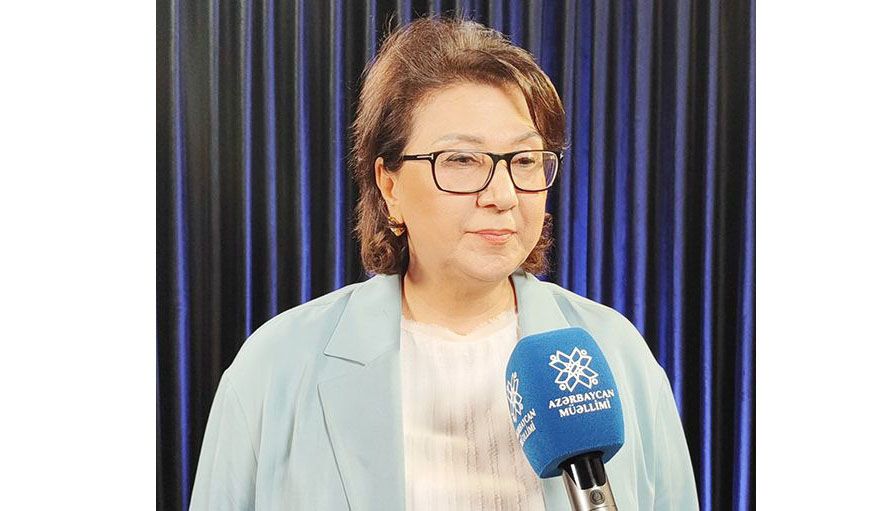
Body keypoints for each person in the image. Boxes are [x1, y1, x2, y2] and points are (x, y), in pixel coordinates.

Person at [190, 16, 698, 511]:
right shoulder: (275, 366)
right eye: (461, 160)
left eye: (524, 160)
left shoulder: (617, 353)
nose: (502, 195)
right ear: (389, 186)